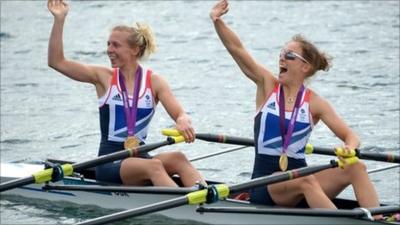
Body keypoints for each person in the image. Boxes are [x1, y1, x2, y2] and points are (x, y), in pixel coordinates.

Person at [209, 0, 381, 212]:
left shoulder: (315, 103)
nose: (282, 57)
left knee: (357, 166)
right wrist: (217, 21)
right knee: (306, 182)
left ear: (305, 67)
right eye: (281, 53)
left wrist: (349, 148)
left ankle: (378, 218)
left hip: (301, 181)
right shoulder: (267, 85)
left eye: (289, 55)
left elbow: (351, 136)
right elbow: (237, 49)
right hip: (265, 184)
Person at [47, 0, 205, 187]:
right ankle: (189, 208)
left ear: (134, 50)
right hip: (109, 162)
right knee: (154, 166)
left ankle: (212, 201)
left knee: (178, 157)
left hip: (140, 156)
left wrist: (183, 120)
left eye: (116, 45)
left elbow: (180, 113)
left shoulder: (154, 81)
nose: (109, 50)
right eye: (108, 44)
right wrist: (59, 20)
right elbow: (57, 62)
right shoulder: (103, 77)